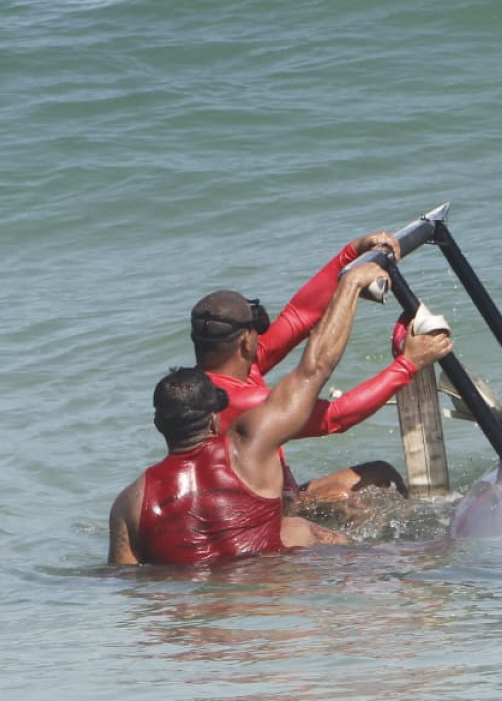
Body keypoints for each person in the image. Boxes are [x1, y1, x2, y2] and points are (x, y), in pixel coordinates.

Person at [110, 262, 442, 565]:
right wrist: (404, 359)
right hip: (274, 588)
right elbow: (317, 372)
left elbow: (125, 583)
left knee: (309, 522)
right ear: (214, 417)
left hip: (202, 615)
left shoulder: (128, 504)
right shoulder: (248, 444)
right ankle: (422, 555)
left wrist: (349, 257)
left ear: (158, 424)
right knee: (315, 525)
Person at [189, 230, 443, 503]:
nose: (262, 335)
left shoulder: (235, 366)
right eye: (257, 329)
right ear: (244, 342)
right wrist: (408, 364)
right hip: (265, 518)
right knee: (347, 500)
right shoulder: (232, 401)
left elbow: (300, 315)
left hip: (284, 494)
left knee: (384, 476)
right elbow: (335, 416)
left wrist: (352, 252)